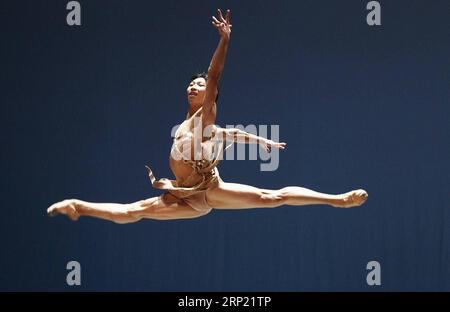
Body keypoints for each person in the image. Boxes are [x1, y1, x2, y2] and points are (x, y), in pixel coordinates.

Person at [47, 9, 368, 223]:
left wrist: (225, 40)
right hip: (186, 196)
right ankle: (78, 206)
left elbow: (215, 76)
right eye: (190, 82)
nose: (193, 86)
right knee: (135, 211)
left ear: (208, 94)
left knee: (273, 197)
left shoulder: (206, 114)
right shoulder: (192, 124)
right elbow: (231, 134)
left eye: (198, 85)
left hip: (209, 189)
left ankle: (338, 200)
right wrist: (260, 140)